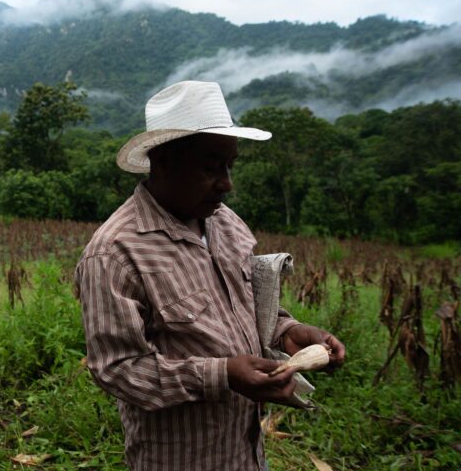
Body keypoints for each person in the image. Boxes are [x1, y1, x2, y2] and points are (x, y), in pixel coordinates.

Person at [74, 81, 345, 471]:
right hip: (181, 457)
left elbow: (244, 305)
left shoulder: (224, 221)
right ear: (163, 161)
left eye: (229, 166)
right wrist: (221, 375)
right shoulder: (115, 253)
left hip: (246, 450)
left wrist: (288, 331)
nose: (227, 183)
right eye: (210, 167)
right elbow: (117, 369)